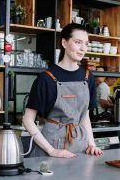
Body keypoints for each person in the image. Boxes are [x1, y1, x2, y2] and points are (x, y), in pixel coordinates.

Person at [22, 23, 103, 158]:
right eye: (78, 42)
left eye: (86, 44)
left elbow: (85, 117)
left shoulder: (88, 77)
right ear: (64, 43)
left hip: (80, 147)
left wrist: (92, 144)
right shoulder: (46, 78)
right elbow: (27, 120)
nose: (83, 48)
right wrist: (52, 151)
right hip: (51, 148)